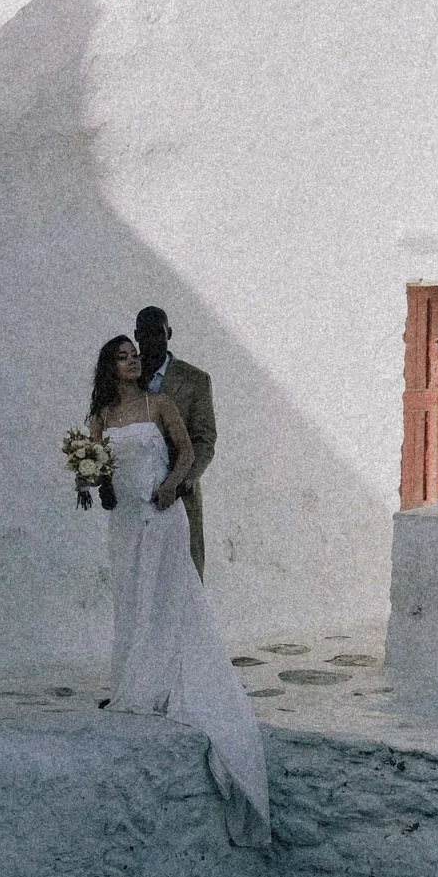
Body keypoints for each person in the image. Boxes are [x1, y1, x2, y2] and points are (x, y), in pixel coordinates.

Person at [87, 333, 269, 846]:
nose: (132, 361)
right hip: (124, 520)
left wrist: (171, 485)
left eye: (135, 355)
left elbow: (187, 450)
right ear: (108, 366)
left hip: (161, 513)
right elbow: (98, 465)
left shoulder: (159, 403)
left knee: (166, 594)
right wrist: (90, 478)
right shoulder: (101, 416)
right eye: (122, 356)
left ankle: (165, 675)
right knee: (130, 595)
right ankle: (131, 674)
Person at [133, 306, 216, 576]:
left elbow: (205, 439)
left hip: (181, 496)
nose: (152, 341)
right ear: (136, 337)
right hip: (136, 500)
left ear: (169, 333)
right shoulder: (125, 380)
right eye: (144, 335)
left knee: (184, 578)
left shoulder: (195, 380)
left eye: (158, 333)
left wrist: (182, 482)